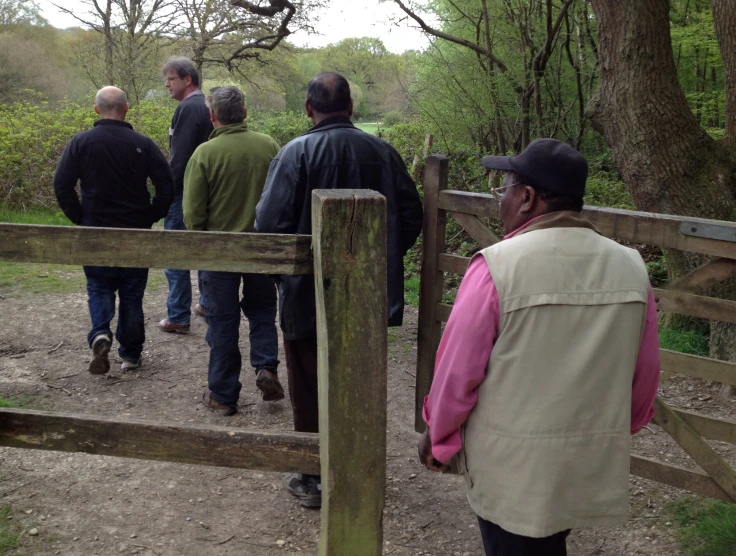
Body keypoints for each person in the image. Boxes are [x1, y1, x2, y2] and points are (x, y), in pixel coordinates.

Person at [418, 138, 661, 556]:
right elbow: (644, 379)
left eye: (504, 191)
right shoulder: (631, 266)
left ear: (527, 197)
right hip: (584, 460)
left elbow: (456, 374)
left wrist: (438, 437)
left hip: (513, 470)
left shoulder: (496, 267)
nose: (501, 203)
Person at [255, 72, 424, 508]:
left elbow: (268, 225)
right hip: (368, 293)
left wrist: (286, 277)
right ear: (350, 106)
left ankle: (312, 475)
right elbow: (411, 215)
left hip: (306, 293)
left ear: (308, 109)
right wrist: (379, 260)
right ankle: (360, 469)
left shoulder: (295, 153)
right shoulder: (384, 153)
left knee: (310, 382)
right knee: (362, 379)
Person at [53, 86, 174, 374]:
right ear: (126, 108)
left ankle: (100, 334)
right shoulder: (143, 144)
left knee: (98, 287)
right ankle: (130, 355)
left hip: (95, 231)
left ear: (96, 109)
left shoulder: (81, 142)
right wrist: (150, 215)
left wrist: (81, 217)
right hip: (135, 231)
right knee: (132, 294)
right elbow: (167, 185)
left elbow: (62, 185)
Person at [183, 86, 283, 416]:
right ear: (245, 112)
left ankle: (223, 395)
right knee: (262, 310)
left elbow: (193, 214)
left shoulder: (204, 154)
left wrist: (201, 243)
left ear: (213, 116)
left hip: (219, 252)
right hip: (261, 249)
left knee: (222, 321)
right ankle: (266, 367)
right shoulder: (268, 146)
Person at [159, 56, 214, 333]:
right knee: (203, 248)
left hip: (184, 193)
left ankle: (178, 315)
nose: (167, 84)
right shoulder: (205, 106)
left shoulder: (189, 108)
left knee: (176, 252)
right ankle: (205, 303)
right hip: (207, 193)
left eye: (170, 79)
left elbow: (179, 158)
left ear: (187, 79)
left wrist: (166, 192)